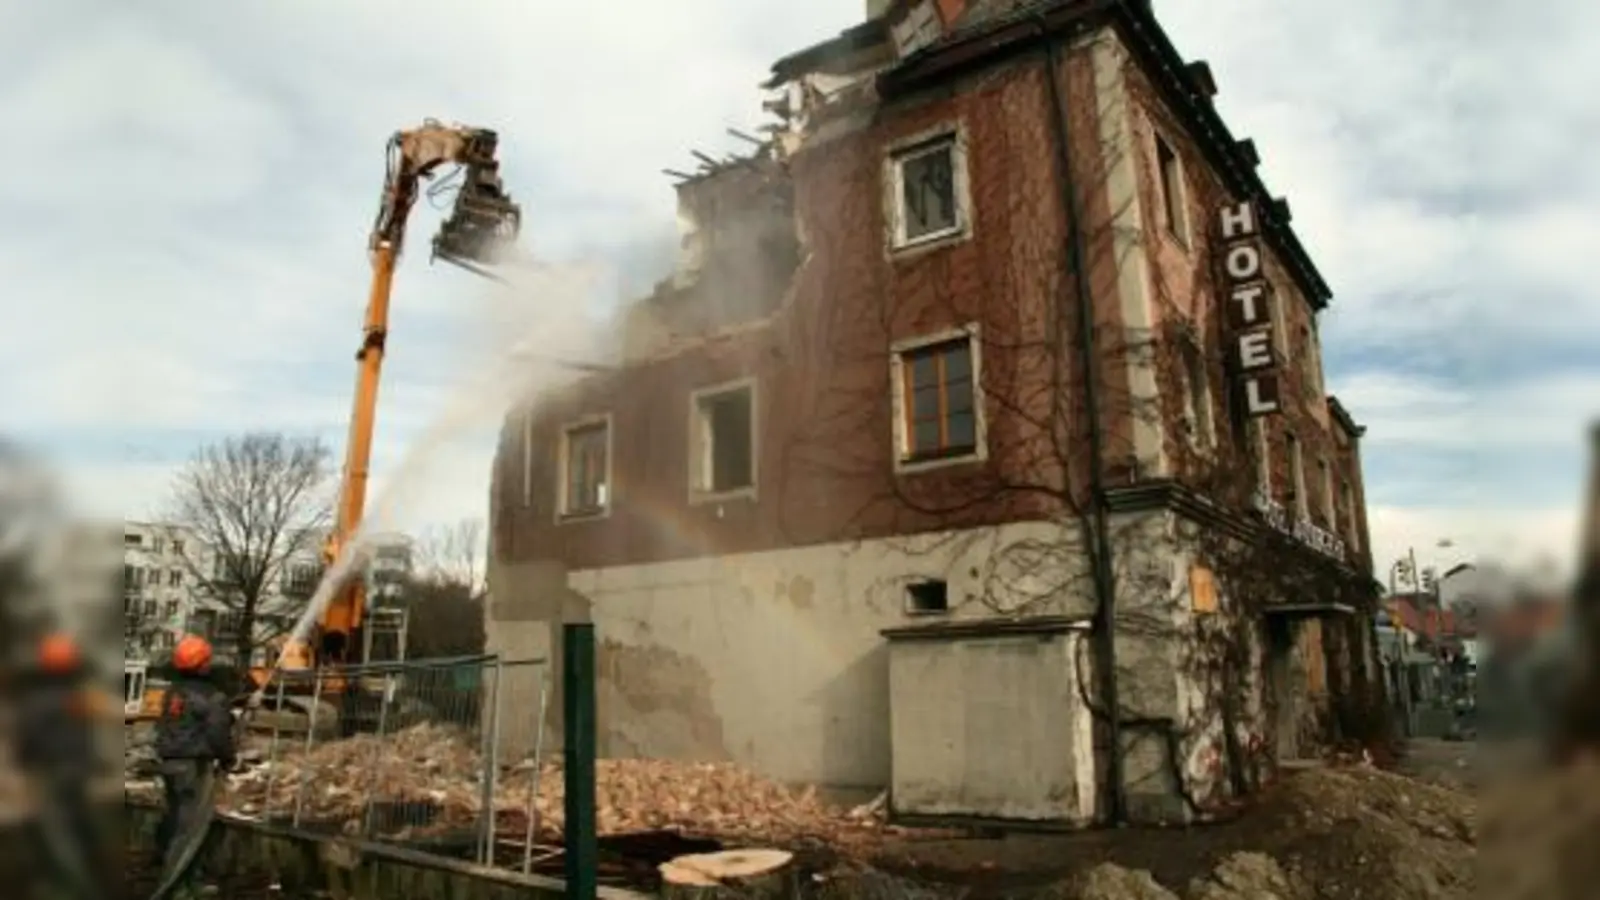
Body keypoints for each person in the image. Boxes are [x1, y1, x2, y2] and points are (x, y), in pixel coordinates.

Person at [13, 631, 111, 900]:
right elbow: (88, 733)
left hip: (53, 770)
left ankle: (75, 887)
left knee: (59, 834)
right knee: (78, 823)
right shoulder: (77, 697)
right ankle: (95, 877)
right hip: (78, 769)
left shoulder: (37, 700)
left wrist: (24, 763)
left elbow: (28, 737)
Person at [153, 634, 236, 897]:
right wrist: (228, 758)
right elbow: (217, 735)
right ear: (203, 665)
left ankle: (188, 880)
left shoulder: (172, 693)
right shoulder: (212, 697)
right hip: (193, 768)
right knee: (188, 831)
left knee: (176, 822)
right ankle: (172, 890)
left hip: (169, 765)